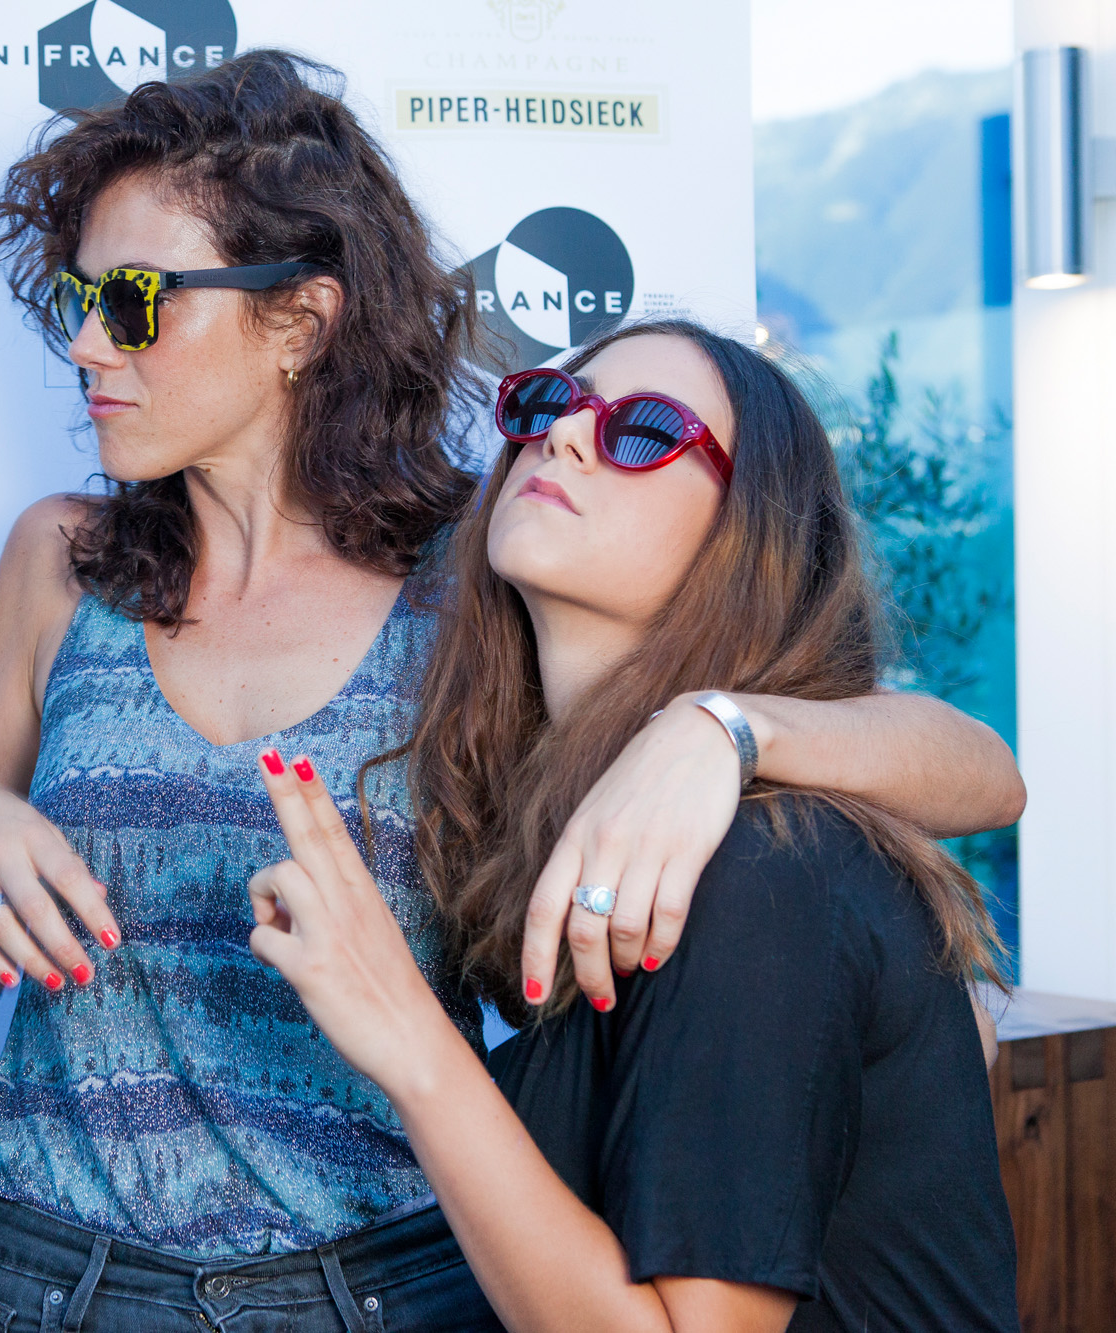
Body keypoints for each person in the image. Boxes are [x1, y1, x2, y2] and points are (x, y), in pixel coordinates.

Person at [0, 52, 1024, 1332]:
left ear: (298, 322)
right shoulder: (61, 561)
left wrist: (709, 732)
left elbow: (976, 772)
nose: (91, 340)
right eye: (80, 296)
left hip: (382, 1287)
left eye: (140, 298)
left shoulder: (491, 581)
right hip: (41, 1283)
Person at [248, 320, 1018, 1331]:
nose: (563, 436)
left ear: (751, 535)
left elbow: (988, 773)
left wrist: (404, 1034)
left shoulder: (757, 867)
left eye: (643, 430)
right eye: (542, 406)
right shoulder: (608, 830)